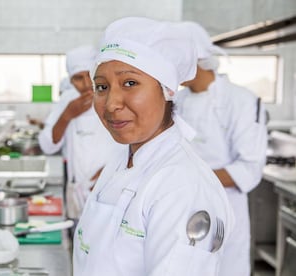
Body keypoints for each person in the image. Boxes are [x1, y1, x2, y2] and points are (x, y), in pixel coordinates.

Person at [73, 17, 234, 276]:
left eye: (130, 83)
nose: (111, 103)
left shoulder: (183, 186)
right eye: (101, 87)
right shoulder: (121, 159)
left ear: (168, 90)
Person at [174, 21, 268, 276]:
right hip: (178, 208)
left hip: (223, 213)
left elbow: (248, 167)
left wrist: (187, 180)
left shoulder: (241, 101)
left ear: (197, 60)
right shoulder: (176, 101)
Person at [38, 45, 124, 218]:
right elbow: (48, 145)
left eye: (89, 76)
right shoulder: (67, 101)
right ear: (70, 81)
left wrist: (113, 172)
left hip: (112, 185)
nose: (86, 84)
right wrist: (67, 115)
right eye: (78, 78)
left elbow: (134, 142)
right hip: (78, 190)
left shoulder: (116, 98)